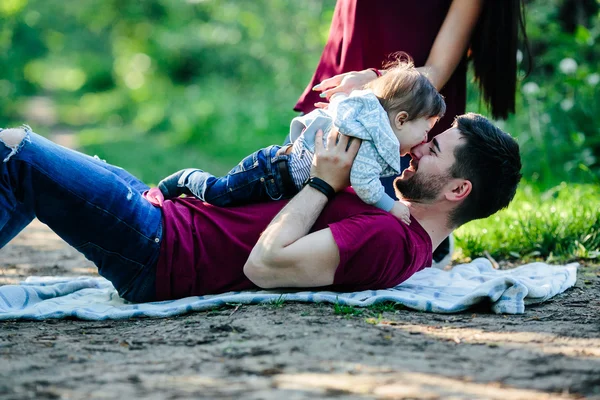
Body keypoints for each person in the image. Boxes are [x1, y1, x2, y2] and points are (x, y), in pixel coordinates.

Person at [0, 112, 521, 303]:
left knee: (15, 153)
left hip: (161, 249)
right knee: (26, 172)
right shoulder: (394, 213)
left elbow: (265, 265)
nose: (416, 148)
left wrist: (322, 184)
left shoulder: (392, 243)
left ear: (458, 192)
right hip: (163, 212)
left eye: (433, 151)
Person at [296, 0, 529, 265]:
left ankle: (434, 239)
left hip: (399, 133)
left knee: (373, 241)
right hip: (338, 106)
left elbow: (438, 69)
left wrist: (374, 79)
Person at [147, 60, 446, 224]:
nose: (425, 139)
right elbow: (365, 184)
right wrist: (390, 206)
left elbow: (343, 102)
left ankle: (183, 214)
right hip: (271, 172)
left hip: (282, 174)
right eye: (426, 129)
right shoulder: (372, 138)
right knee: (218, 195)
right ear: (402, 119)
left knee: (237, 216)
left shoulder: (366, 114)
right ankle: (181, 181)